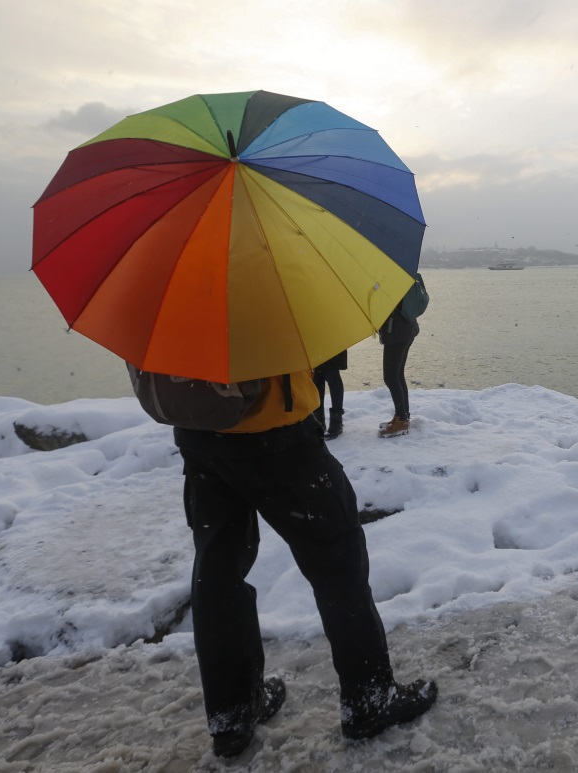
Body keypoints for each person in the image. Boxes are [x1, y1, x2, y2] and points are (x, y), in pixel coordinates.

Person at [172, 370, 437, 758]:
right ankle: (369, 699)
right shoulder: (259, 305)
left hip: (199, 437)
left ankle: (232, 714)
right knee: (338, 564)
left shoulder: (172, 309)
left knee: (218, 573)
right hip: (276, 434)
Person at [377, 297, 419, 438]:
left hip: (396, 332)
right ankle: (403, 416)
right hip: (406, 328)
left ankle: (401, 420)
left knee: (390, 377)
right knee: (398, 375)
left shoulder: (388, 283)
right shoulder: (400, 279)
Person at [314, 348, 348, 440]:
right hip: (315, 340)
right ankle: (318, 421)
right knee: (317, 376)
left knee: (331, 373)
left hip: (330, 341)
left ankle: (336, 423)